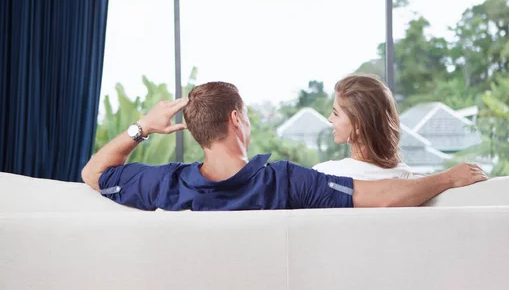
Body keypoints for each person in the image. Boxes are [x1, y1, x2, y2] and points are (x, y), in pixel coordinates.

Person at [81, 81, 487, 211]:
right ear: (236, 120)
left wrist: (143, 127)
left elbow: (93, 174)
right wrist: (448, 178)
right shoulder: (287, 182)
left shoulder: (163, 185)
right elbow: (382, 198)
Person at [313, 74, 421, 180]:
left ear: (358, 125)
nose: (330, 119)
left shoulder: (324, 174)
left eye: (336, 113)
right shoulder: (407, 178)